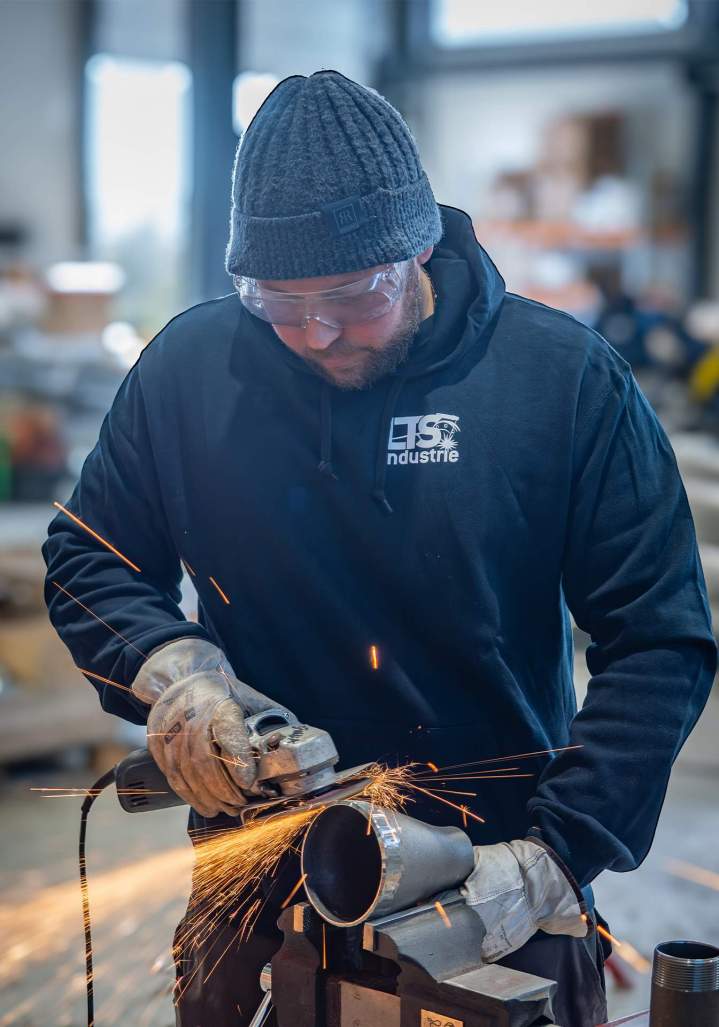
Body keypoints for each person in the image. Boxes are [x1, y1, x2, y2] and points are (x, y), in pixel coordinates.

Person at [42, 71, 716, 1027]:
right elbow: (89, 558)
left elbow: (659, 641)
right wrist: (176, 675)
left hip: (490, 884)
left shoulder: (558, 381)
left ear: (418, 248)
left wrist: (555, 854)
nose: (316, 333)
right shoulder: (192, 370)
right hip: (257, 873)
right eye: (277, 301)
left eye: (353, 296)